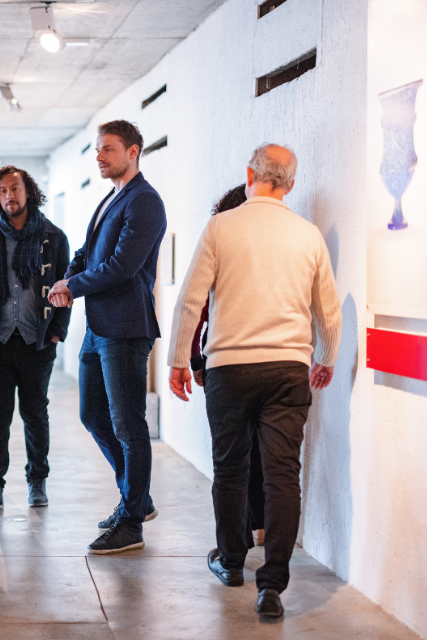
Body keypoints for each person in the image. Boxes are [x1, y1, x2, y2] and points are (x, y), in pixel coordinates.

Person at [167, 144, 342, 618]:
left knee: (230, 469)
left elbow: (190, 299)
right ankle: (272, 586)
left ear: (250, 175)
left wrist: (179, 359)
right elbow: (328, 308)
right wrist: (325, 357)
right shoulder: (307, 235)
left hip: (229, 369)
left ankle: (230, 562)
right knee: (283, 475)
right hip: (288, 369)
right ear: (290, 184)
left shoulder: (222, 226)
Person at [48, 120, 167, 555]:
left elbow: (121, 266)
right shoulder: (111, 198)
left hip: (126, 329)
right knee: (92, 414)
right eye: (98, 150)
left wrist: (73, 288)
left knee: (129, 425)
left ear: (133, 151)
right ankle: (137, 495)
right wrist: (66, 279)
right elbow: (87, 253)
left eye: (108, 150)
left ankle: (132, 520)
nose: (99, 156)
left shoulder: (145, 202)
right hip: (98, 329)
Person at [0, 166, 71, 514]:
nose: (10, 195)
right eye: (4, 190)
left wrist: (57, 331)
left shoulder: (53, 238)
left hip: (36, 340)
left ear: (29, 192)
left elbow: (65, 288)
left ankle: (37, 480)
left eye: (16, 188)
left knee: (35, 413)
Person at [190, 185, 265, 549]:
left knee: (231, 460)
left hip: (225, 363)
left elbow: (196, 307)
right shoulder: (269, 249)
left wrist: (191, 360)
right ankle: (258, 526)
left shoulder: (220, 243)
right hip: (270, 362)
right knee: (260, 454)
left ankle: (236, 547)